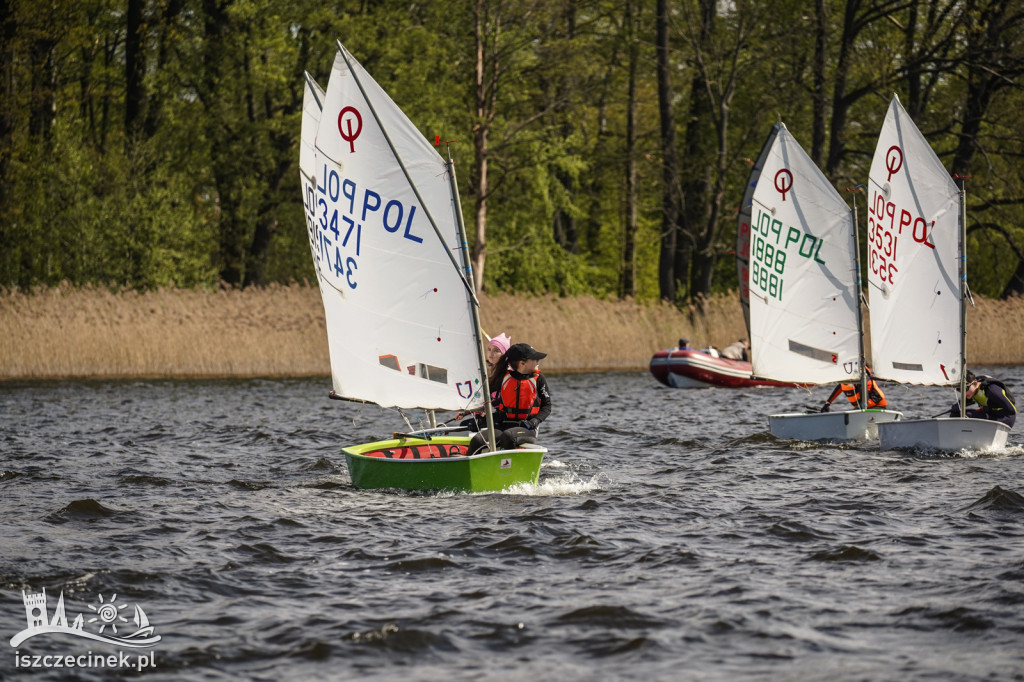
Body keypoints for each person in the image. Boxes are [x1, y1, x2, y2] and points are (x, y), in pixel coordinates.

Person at [468, 343, 552, 454]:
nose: (538, 361)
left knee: (508, 436)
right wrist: (478, 413)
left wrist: (534, 421)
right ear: (522, 363)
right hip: (503, 424)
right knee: (478, 439)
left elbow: (547, 406)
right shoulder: (504, 377)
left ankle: (506, 465)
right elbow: (485, 397)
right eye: (535, 359)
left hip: (526, 428)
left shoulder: (539, 379)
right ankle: (468, 464)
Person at [949, 370, 1017, 428]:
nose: (963, 393)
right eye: (959, 390)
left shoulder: (992, 390)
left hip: (1005, 417)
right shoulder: (971, 392)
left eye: (965, 389)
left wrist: (989, 410)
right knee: (955, 414)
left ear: (975, 384)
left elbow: (1012, 410)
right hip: (990, 414)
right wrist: (956, 407)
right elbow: (959, 407)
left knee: (967, 415)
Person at [821, 367, 887, 411]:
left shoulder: (860, 377)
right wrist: (827, 404)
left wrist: (856, 410)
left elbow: (865, 402)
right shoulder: (845, 379)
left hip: (877, 406)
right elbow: (839, 387)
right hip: (861, 409)